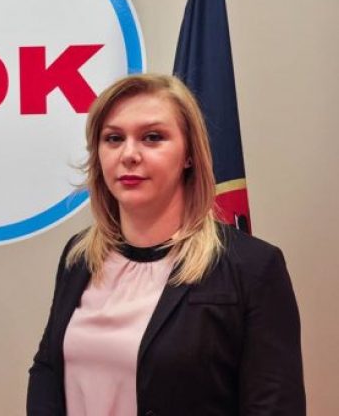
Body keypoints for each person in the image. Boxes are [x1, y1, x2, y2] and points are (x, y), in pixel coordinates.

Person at [26, 74, 305, 416]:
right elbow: (48, 369)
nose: (129, 154)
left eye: (152, 137)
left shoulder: (252, 268)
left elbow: (274, 406)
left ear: (189, 154)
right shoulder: (80, 257)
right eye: (113, 138)